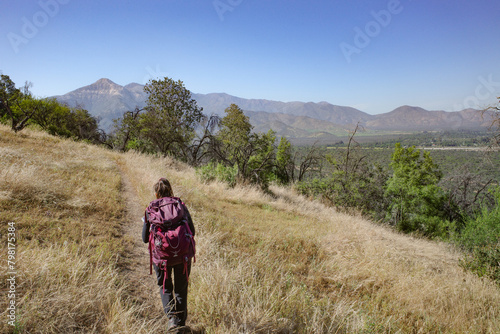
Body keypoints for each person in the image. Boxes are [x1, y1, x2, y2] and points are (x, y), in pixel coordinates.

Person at [142, 178, 195, 331]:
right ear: (170, 190)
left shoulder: (151, 208)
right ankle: (182, 323)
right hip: (183, 255)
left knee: (165, 287)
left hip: (162, 257)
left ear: (156, 193)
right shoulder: (180, 205)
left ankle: (172, 320)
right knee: (181, 288)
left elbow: (145, 239)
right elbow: (193, 231)